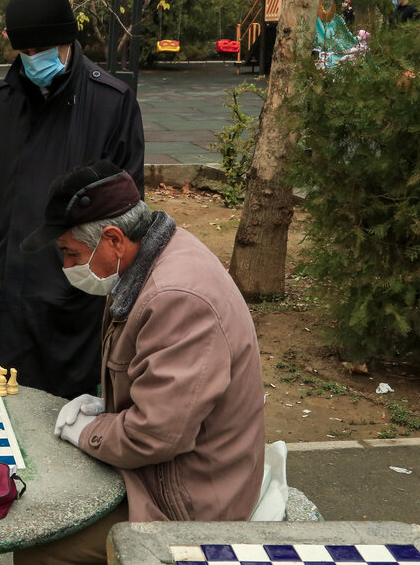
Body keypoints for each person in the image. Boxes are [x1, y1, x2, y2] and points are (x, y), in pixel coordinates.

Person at [15, 160, 265, 564]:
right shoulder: (148, 258)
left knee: (42, 544)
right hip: (179, 471)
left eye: (70, 252)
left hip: (191, 503)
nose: (66, 267)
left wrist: (90, 431)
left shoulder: (176, 297)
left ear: (113, 238)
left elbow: (156, 435)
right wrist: (107, 409)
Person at [0, 0, 145, 399]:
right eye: (23, 52)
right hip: (3, 293)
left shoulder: (111, 102)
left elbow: (126, 208)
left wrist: (83, 275)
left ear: (66, 42)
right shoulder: (4, 101)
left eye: (40, 51)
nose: (31, 59)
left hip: (71, 299)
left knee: (63, 419)